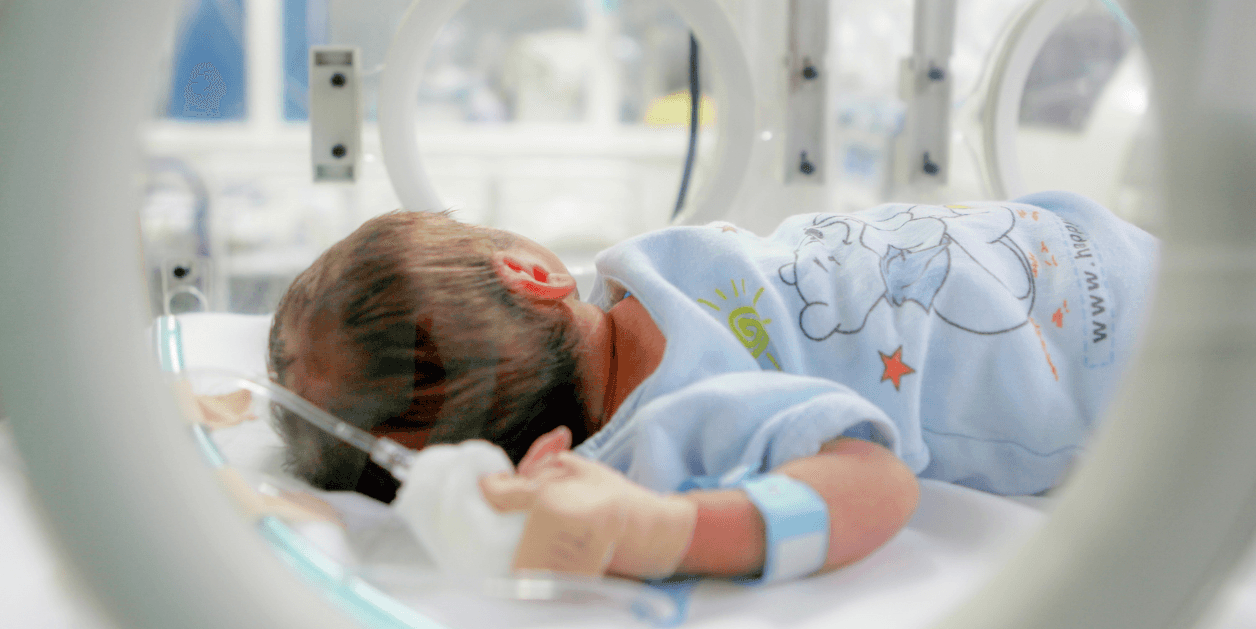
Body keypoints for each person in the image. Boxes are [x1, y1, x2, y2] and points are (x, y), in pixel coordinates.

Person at [268, 192, 1157, 580]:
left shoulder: (643, 272)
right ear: (534, 275)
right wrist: (667, 530)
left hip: (1089, 256)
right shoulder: (682, 420)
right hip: (1140, 374)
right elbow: (873, 486)